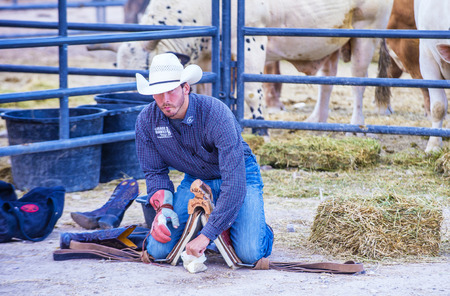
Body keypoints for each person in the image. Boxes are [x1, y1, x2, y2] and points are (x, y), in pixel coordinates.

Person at [134, 53, 273, 264]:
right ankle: (218, 221)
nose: (165, 100)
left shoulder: (216, 114)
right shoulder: (146, 120)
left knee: (250, 254)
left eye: (170, 91)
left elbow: (234, 183)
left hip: (239, 174)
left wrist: (205, 236)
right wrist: (164, 210)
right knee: (158, 251)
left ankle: (260, 229)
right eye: (158, 94)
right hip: (197, 179)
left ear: (186, 88)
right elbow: (155, 172)